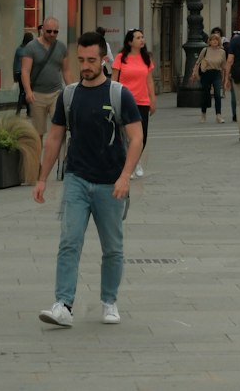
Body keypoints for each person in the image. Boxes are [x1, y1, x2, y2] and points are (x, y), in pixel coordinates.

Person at [33, 30, 142, 328]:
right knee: (69, 242)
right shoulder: (69, 95)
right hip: (77, 179)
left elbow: (135, 138)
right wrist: (42, 178)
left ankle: (109, 301)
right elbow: (54, 138)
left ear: (104, 59)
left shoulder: (119, 94)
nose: (86, 65)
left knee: (113, 247)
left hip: (110, 183)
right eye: (81, 59)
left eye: (91, 60)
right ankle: (63, 304)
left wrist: (125, 177)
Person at [111, 30, 155, 179]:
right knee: (125, 135)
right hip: (124, 100)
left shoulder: (146, 58)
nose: (141, 40)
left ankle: (136, 161)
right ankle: (127, 164)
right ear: (130, 42)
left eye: (142, 37)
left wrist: (152, 99)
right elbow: (114, 80)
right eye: (138, 38)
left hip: (142, 101)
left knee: (142, 135)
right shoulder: (120, 58)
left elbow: (149, 80)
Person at [21, 17, 72, 138]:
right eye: (49, 31)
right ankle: (38, 157)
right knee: (38, 132)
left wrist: (71, 90)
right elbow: (25, 70)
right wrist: (28, 91)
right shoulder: (31, 47)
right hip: (37, 95)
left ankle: (60, 157)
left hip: (56, 93)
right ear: (42, 29)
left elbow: (66, 70)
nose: (52, 34)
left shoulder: (61, 47)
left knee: (60, 129)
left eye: (55, 31)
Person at [194, 29, 226, 123]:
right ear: (210, 41)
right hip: (206, 73)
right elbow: (198, 62)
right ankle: (203, 114)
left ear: (219, 41)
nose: (215, 41)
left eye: (216, 40)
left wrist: (225, 77)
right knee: (205, 94)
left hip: (217, 73)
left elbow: (223, 65)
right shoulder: (205, 50)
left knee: (217, 94)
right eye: (213, 40)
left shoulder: (222, 52)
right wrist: (194, 73)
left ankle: (218, 115)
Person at [14, 29, 35, 115]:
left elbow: (15, 62)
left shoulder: (19, 48)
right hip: (25, 73)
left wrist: (14, 73)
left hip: (18, 72)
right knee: (25, 91)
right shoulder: (28, 50)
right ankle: (22, 110)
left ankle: (27, 110)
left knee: (23, 91)